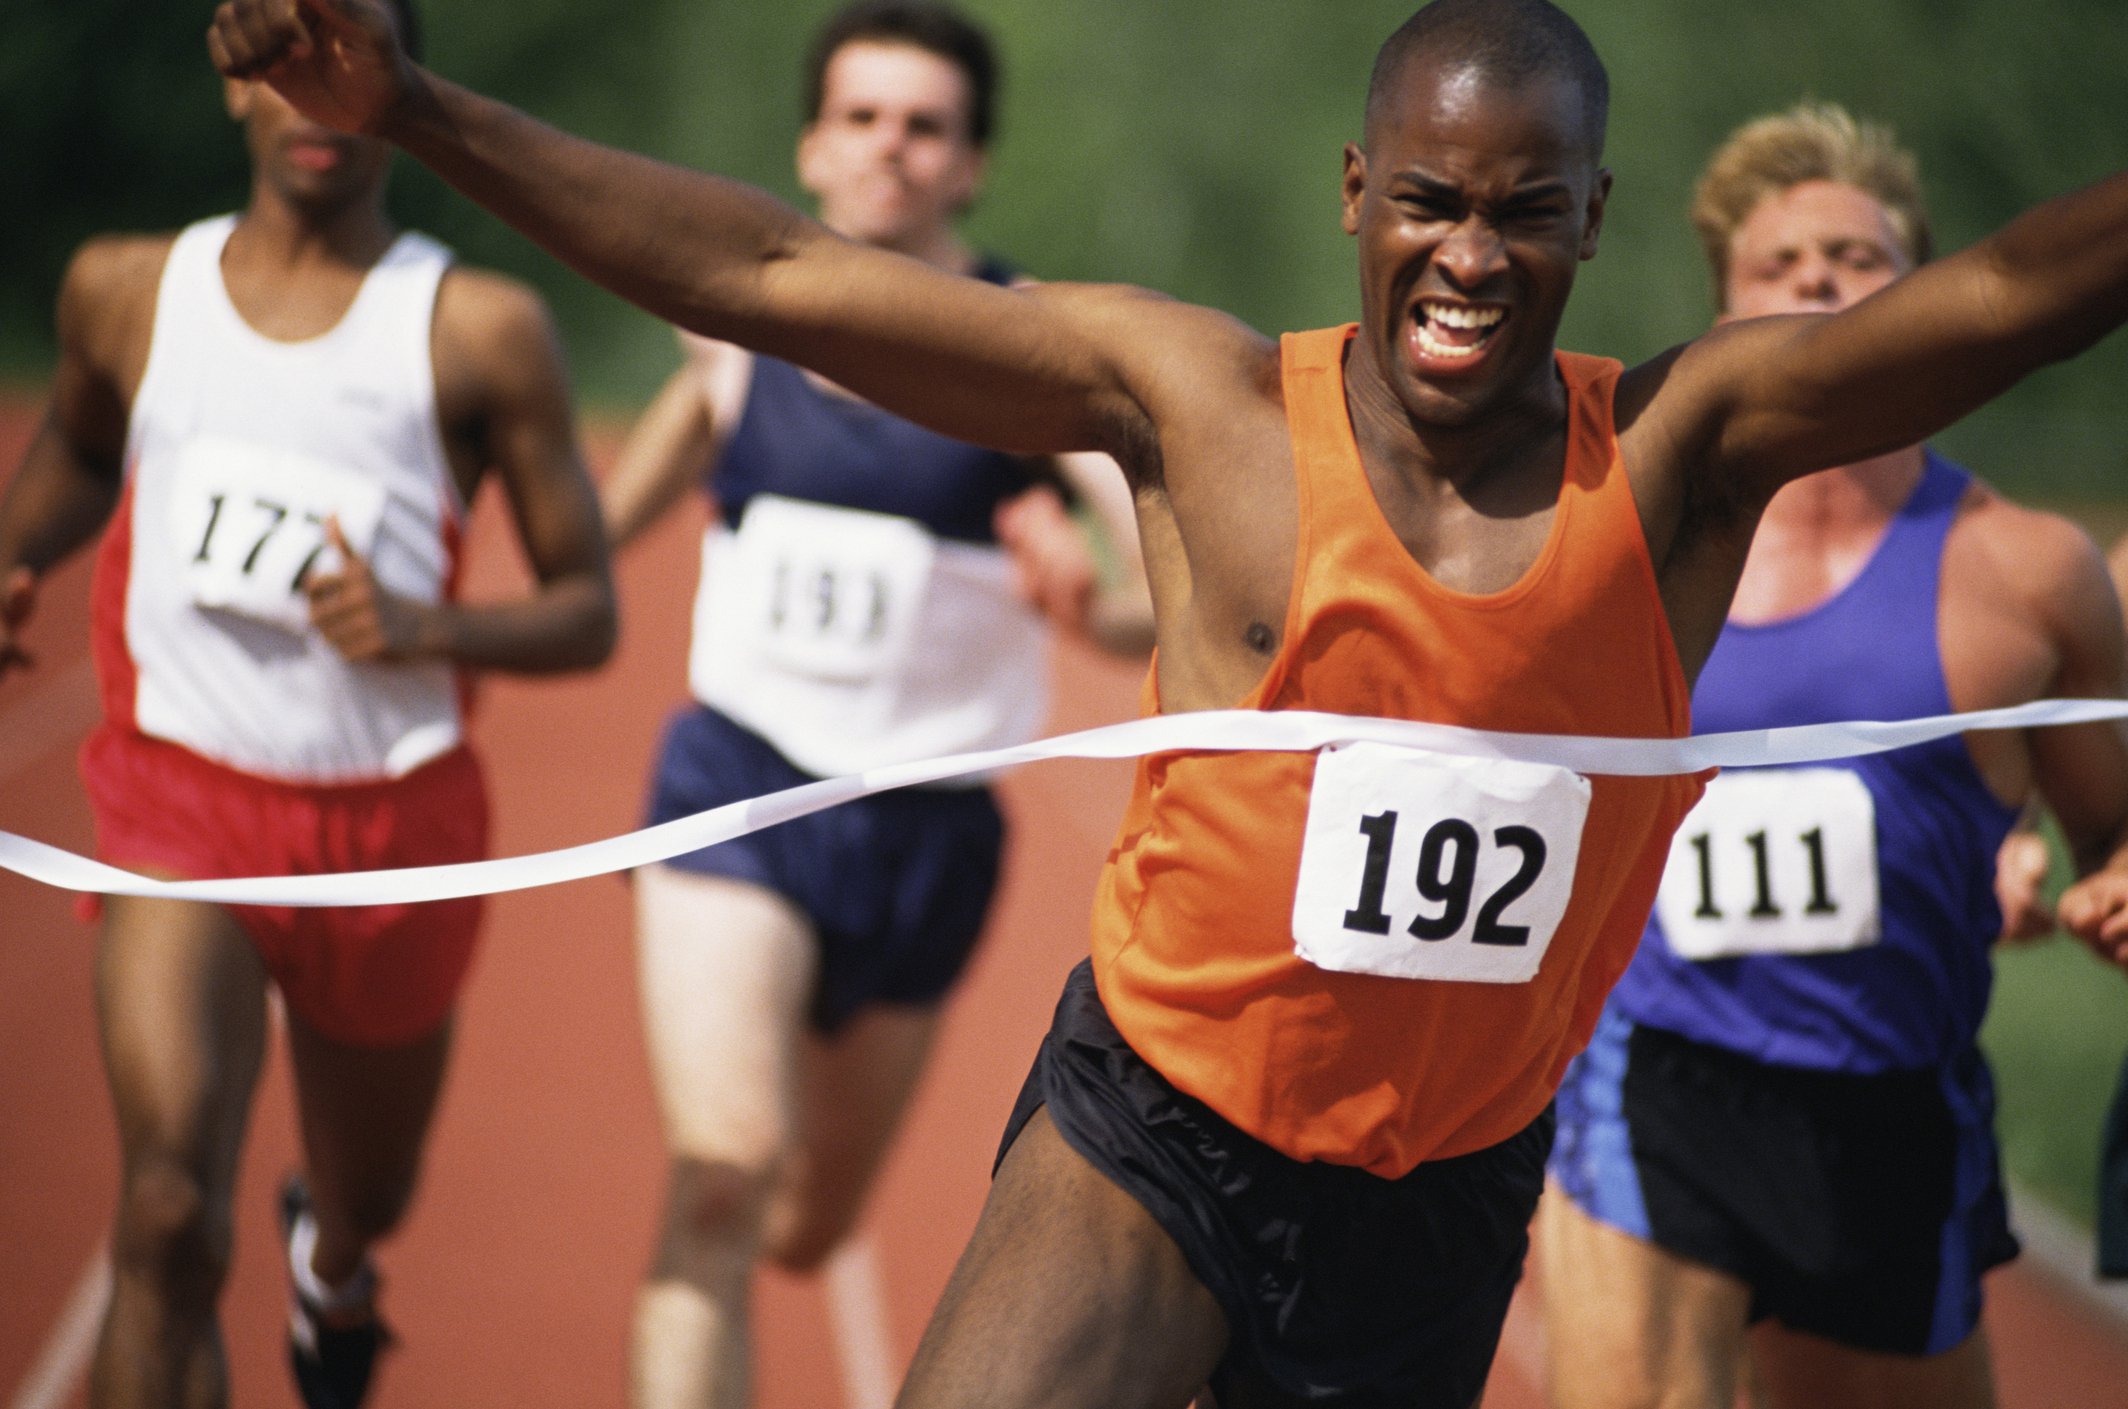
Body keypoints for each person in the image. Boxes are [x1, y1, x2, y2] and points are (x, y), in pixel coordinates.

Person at [207, 0, 2128, 1403]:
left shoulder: (1682, 456)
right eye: (1431, 200)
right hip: (1163, 1122)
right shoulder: (1204, 409)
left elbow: (2003, 295)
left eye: (1525, 211)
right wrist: (422, 111)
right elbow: (775, 269)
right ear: (1358, 189)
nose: (1471, 256)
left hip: (1443, 1191)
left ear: (1594, 217)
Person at [0, 3, 617, 1406]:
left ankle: (334, 1261)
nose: (318, 99)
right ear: (235, 85)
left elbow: (590, 613)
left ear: (400, 82)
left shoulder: (478, 331)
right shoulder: (126, 292)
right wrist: (14, 561)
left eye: (353, 60)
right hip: (179, 801)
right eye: (287, 64)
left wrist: (424, 624)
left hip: (389, 837)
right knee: (167, 1214)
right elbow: (81, 452)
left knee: (372, 1193)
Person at [1535, 101, 2128, 1409]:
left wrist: (2099, 883)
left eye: (1858, 259)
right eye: (1780, 263)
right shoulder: (1620, 549)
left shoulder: (2028, 574)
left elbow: (2109, 835)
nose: (1817, 281)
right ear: (1725, 311)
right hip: (1654, 1080)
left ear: (1926, 298)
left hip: (1895, 1109)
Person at [596, 6, 1147, 1407]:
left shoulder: (1031, 348)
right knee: (724, 1178)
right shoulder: (737, 325)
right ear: (811, 146)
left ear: (971, 163)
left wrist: (1084, 596)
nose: (889, 148)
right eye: (861, 117)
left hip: (923, 835)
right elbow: (588, 545)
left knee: (807, 1223)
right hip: (738, 790)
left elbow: (1158, 600)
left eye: (924, 125)